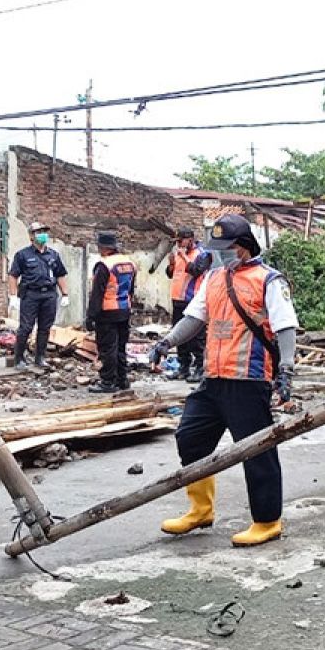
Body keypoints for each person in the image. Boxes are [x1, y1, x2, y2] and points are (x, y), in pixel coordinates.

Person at [149, 214, 298, 547]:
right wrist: (165, 342)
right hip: (213, 378)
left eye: (223, 248)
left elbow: (286, 326)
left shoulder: (269, 280)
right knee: (191, 438)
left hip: (249, 379)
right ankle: (200, 509)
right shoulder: (214, 278)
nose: (214, 254)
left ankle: (267, 520)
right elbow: (193, 318)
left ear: (242, 247)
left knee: (256, 451)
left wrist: (286, 371)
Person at [7, 221, 68, 369]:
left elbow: (60, 275)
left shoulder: (53, 255)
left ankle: (40, 358)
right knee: (26, 328)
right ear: (31, 236)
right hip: (30, 295)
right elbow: (13, 275)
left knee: (45, 328)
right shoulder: (23, 255)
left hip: (49, 295)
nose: (42, 235)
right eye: (38, 232)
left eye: (44, 232)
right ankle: (19, 358)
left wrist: (65, 294)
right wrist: (13, 296)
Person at [86, 231, 136, 393]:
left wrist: (91, 316)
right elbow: (131, 289)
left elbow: (97, 293)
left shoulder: (104, 265)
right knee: (121, 347)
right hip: (124, 309)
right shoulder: (129, 263)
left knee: (108, 348)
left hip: (107, 311)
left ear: (104, 248)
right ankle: (122, 379)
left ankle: (108, 382)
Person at [163, 226, 212, 382]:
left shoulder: (202, 254)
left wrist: (184, 257)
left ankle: (199, 368)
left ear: (190, 239)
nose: (178, 244)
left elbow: (196, 271)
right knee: (179, 335)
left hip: (192, 300)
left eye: (180, 241)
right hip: (177, 299)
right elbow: (172, 274)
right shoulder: (179, 253)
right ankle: (183, 367)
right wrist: (171, 264)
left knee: (196, 338)